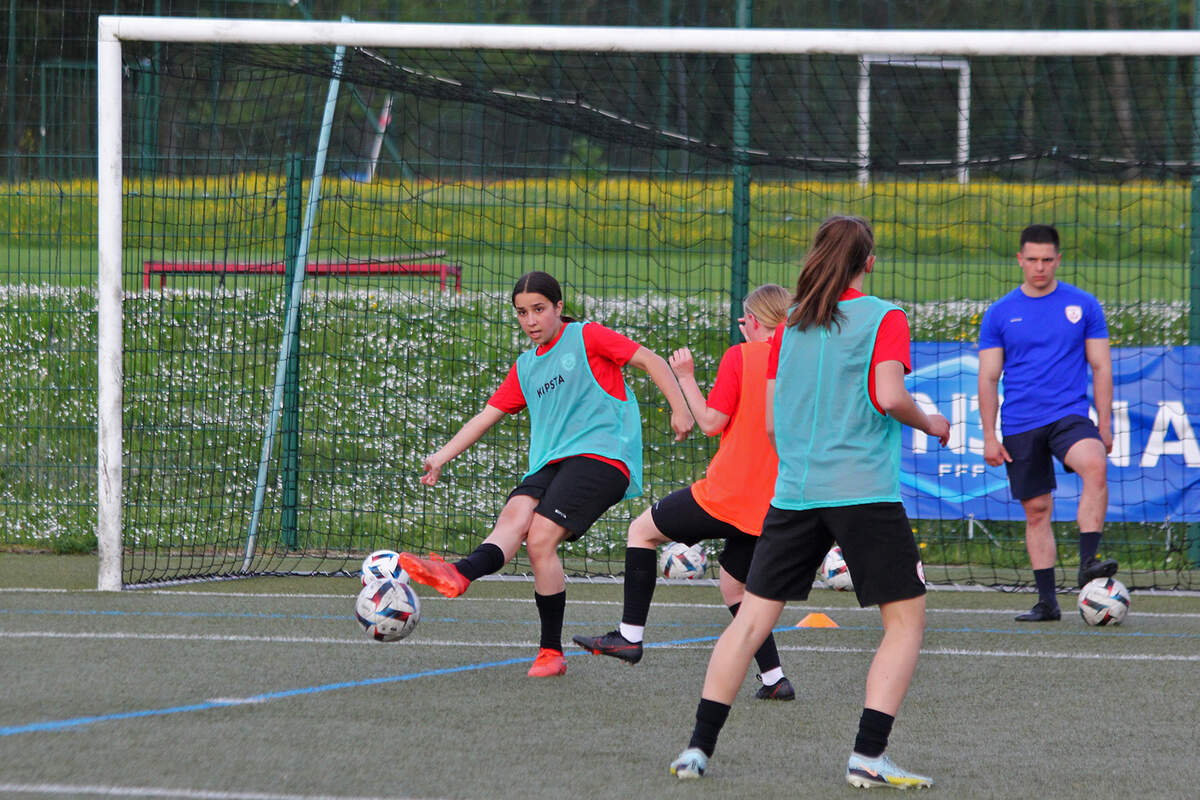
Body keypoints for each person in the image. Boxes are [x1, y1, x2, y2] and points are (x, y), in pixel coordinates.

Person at [668, 216, 950, 790]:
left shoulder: (788, 326)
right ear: (868, 263)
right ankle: (868, 756)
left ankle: (697, 750)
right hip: (862, 492)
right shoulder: (885, 316)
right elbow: (890, 395)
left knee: (747, 624)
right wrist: (932, 421)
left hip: (794, 492)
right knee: (905, 623)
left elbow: (772, 425)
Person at [399, 271, 693, 678]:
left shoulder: (587, 336)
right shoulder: (525, 368)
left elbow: (651, 360)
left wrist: (679, 408)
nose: (531, 320)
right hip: (552, 464)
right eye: (522, 313)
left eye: (539, 309)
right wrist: (441, 457)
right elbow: (487, 416)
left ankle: (549, 649)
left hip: (603, 457)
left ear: (558, 307)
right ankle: (461, 575)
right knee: (513, 520)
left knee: (539, 538)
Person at [572, 284, 796, 701]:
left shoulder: (741, 356)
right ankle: (774, 679)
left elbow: (710, 422)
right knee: (735, 587)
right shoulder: (802, 363)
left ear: (760, 322)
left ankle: (628, 636)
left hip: (726, 495)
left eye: (745, 319)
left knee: (641, 531)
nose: (741, 326)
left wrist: (685, 377)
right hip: (772, 503)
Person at [977, 223, 1117, 623]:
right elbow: (988, 377)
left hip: (1069, 415)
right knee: (1037, 509)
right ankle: (1047, 602)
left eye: (1047, 260)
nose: (1040, 267)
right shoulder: (1000, 313)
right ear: (1020, 260)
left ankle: (1088, 565)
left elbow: (1100, 365)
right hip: (1020, 422)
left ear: (1058, 259)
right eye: (1032, 260)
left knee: (1094, 463)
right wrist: (989, 435)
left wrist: (1104, 424)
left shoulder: (1084, 305)